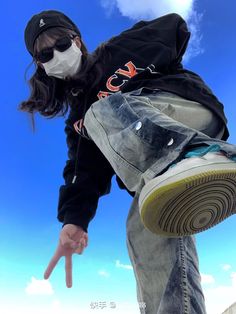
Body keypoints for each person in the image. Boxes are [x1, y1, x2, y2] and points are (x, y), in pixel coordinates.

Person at [21, 9, 236, 314]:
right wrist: (74, 221)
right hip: (156, 169)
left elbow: (174, 27)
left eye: (62, 44)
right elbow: (83, 174)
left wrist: (151, 68)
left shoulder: (118, 51)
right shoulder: (79, 124)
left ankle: (202, 152)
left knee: (101, 110)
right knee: (148, 219)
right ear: (41, 65)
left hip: (186, 114)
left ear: (78, 41)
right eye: (45, 53)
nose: (57, 54)